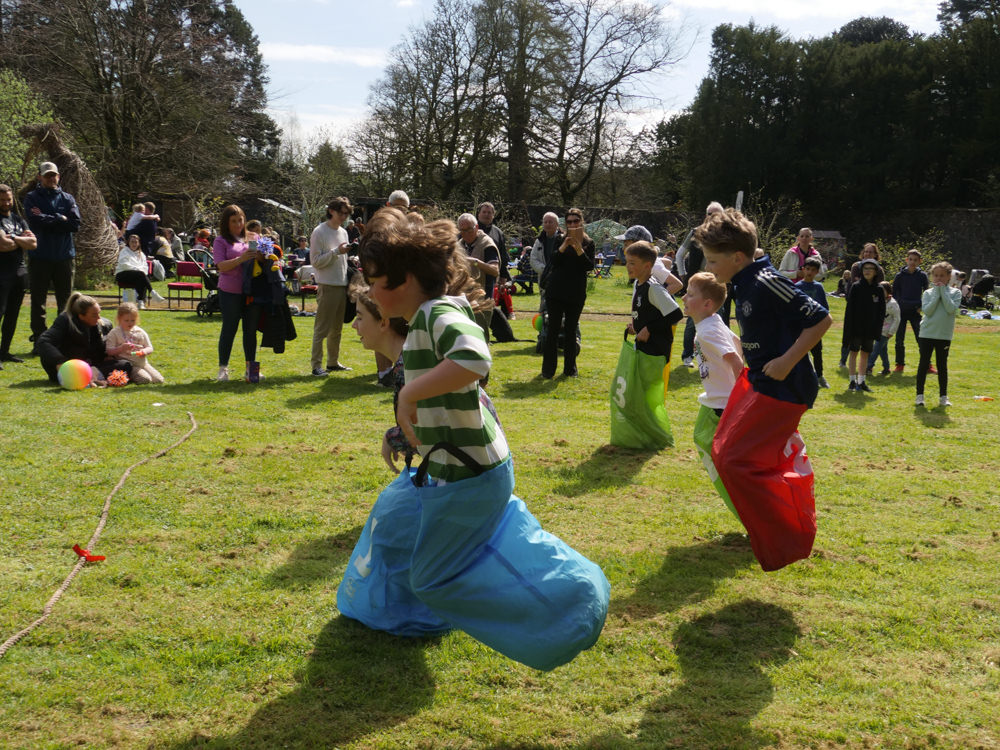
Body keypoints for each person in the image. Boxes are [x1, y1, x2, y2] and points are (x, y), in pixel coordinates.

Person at [695, 208, 832, 572]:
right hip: (760, 381)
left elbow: (821, 319)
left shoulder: (767, 280)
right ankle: (772, 521)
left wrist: (787, 360)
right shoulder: (741, 280)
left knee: (733, 459)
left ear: (737, 258)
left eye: (712, 260)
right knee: (722, 450)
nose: (708, 267)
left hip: (784, 386)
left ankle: (787, 531)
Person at [358, 207, 508, 484]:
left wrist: (409, 394)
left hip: (470, 474)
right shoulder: (421, 321)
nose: (369, 292)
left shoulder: (436, 313)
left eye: (374, 282)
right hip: (460, 469)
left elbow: (475, 359)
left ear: (405, 281)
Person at [683, 271, 743, 518]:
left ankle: (743, 507)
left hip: (724, 404)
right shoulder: (712, 322)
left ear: (707, 304)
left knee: (714, 450)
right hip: (720, 400)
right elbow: (736, 342)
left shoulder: (708, 330)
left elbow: (733, 356)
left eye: (690, 294)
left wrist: (744, 392)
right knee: (706, 442)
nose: (684, 298)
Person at [349, 275, 415, 472]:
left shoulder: (409, 366)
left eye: (360, 317)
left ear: (384, 322)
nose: (354, 325)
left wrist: (393, 437)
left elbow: (419, 435)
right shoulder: (411, 355)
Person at [23, 161, 81, 347]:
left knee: (66, 302)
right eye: (47, 175)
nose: (51, 178)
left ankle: (62, 339)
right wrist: (61, 218)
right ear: (39, 177)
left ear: (58, 176)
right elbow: (34, 221)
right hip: (40, 256)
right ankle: (40, 341)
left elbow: (75, 224)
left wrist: (49, 217)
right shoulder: (31, 197)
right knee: (38, 302)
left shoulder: (68, 199)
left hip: (64, 256)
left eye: (53, 175)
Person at [212, 204, 266, 382]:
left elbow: (262, 259)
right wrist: (241, 259)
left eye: (240, 220)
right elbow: (220, 265)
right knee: (229, 328)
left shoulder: (253, 237)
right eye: (233, 221)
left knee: (250, 330)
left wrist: (261, 256)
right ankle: (223, 369)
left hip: (252, 291)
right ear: (226, 223)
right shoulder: (221, 241)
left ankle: (251, 370)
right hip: (230, 291)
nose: (237, 224)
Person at [541, 208, 595, 378]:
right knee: (552, 331)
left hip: (576, 293)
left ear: (581, 222)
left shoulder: (589, 243)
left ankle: (570, 370)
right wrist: (564, 245)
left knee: (571, 330)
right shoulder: (559, 239)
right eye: (569, 222)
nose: (572, 224)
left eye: (575, 221)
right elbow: (553, 261)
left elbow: (588, 266)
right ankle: (548, 371)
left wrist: (579, 249)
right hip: (556, 292)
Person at [36, 292, 133, 386]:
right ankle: (89, 377)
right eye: (94, 315)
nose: (99, 317)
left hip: (92, 365)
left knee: (125, 365)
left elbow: (105, 350)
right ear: (81, 316)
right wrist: (60, 362)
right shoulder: (65, 322)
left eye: (99, 313)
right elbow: (43, 342)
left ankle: (91, 376)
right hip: (68, 368)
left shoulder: (105, 325)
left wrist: (109, 355)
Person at [309, 197, 354, 376]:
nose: (344, 216)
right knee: (322, 328)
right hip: (327, 285)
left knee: (337, 329)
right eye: (341, 212)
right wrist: (336, 252)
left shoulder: (343, 232)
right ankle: (316, 366)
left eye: (346, 213)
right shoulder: (319, 232)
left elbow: (340, 258)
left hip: (342, 284)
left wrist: (349, 256)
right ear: (331, 211)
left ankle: (333, 362)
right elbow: (315, 261)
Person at [679, 201, 725, 366]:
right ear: (706, 215)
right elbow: (679, 255)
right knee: (693, 320)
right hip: (698, 282)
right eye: (710, 214)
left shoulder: (725, 235)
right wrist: (684, 276)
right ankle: (687, 356)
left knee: (719, 320)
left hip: (718, 283)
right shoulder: (694, 233)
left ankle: (713, 356)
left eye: (717, 214)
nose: (714, 217)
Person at [625, 240, 683, 365]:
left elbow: (676, 314)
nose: (627, 266)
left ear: (647, 266)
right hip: (644, 347)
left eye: (632, 263)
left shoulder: (654, 288)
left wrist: (648, 329)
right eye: (627, 262)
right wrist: (636, 327)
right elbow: (646, 313)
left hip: (655, 351)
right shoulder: (639, 284)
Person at [916, 261, 961, 408]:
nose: (938, 278)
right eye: (935, 275)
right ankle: (919, 396)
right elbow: (928, 311)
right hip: (927, 334)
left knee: (942, 366)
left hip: (944, 336)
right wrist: (937, 294)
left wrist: (943, 292)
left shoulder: (956, 293)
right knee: (923, 365)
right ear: (931, 277)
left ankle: (943, 397)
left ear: (949, 277)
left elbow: (950, 309)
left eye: (942, 275)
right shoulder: (927, 293)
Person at [0, 184, 36, 367]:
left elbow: (33, 243)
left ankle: (4, 351)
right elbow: (2, 245)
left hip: (19, 273)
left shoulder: (17, 219)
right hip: (1, 273)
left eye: (9, 199)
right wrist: (20, 240)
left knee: (12, 315)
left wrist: (13, 238)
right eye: (3, 200)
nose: (6, 203)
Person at [842, 258, 885, 393]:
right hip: (856, 327)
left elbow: (881, 311)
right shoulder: (856, 287)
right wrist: (849, 329)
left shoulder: (878, 289)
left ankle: (862, 381)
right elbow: (850, 310)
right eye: (865, 269)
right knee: (853, 352)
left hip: (870, 328)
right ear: (861, 271)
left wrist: (877, 329)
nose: (867, 271)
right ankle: (852, 381)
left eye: (870, 269)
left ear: (875, 272)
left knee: (865, 354)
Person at [104, 301, 164, 384]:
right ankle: (127, 376)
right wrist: (121, 348)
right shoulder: (114, 333)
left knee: (159, 380)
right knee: (145, 379)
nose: (130, 323)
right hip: (130, 366)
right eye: (126, 320)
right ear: (119, 319)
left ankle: (140, 373)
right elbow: (109, 351)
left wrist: (144, 351)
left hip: (142, 363)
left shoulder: (139, 331)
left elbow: (150, 347)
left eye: (133, 320)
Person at [891, 249, 929, 373]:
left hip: (915, 311)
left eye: (915, 260)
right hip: (901, 312)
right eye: (910, 259)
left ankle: (927, 365)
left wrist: (921, 306)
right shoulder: (899, 276)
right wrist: (897, 305)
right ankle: (899, 364)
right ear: (907, 260)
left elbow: (927, 292)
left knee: (921, 338)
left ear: (920, 261)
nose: (912, 262)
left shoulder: (922, 276)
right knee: (899, 339)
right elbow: (894, 292)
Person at [795, 257, 830, 388]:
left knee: (817, 352)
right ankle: (802, 377)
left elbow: (825, 308)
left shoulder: (819, 287)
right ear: (803, 269)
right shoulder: (797, 287)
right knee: (801, 352)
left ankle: (820, 376)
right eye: (807, 269)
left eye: (813, 270)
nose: (809, 272)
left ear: (817, 272)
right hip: (801, 327)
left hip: (815, 327)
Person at [618, 225, 682, 295]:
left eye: (626, 245)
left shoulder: (652, 266)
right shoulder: (643, 263)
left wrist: (654, 301)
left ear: (639, 245)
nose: (623, 248)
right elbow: (667, 261)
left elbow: (676, 284)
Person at [115, 234, 165, 309]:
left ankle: (141, 302)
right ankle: (151, 293)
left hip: (137, 276)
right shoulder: (124, 251)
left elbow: (145, 267)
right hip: (123, 274)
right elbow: (125, 265)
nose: (134, 244)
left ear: (138, 243)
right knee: (141, 275)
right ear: (128, 242)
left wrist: (139, 271)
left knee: (142, 276)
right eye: (132, 242)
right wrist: (138, 270)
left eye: (136, 242)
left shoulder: (141, 254)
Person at [869, 281, 899, 377]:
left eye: (883, 290)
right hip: (877, 329)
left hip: (886, 331)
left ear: (888, 291)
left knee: (875, 349)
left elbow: (897, 319)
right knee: (882, 351)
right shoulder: (877, 300)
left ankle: (868, 367)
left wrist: (891, 332)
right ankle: (886, 368)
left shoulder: (893, 304)